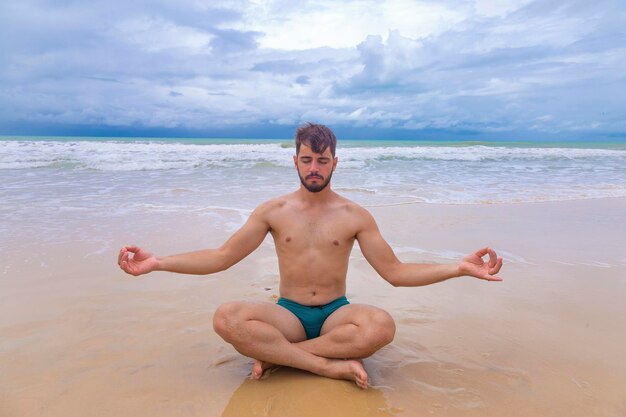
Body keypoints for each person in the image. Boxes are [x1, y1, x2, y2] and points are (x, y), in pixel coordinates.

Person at [118, 123, 503, 389]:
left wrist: (459, 267)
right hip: (288, 314)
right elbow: (221, 257)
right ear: (296, 161)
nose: (314, 168)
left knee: (380, 327)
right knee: (227, 318)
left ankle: (278, 358)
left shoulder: (355, 216)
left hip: (337, 314)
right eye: (307, 160)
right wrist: (158, 262)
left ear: (335, 162)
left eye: (322, 160)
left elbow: (396, 273)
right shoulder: (273, 211)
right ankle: (323, 365)